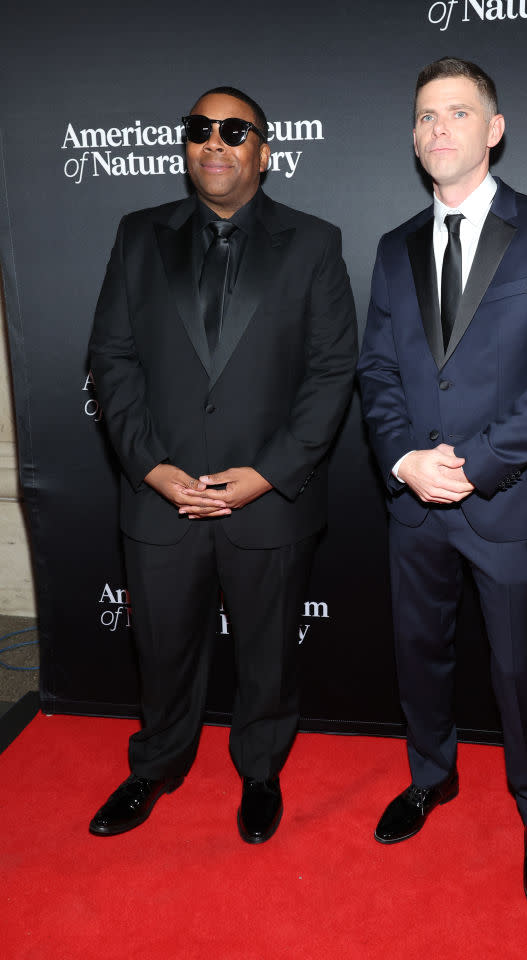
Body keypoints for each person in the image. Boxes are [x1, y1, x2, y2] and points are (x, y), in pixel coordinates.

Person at [357, 58, 527, 915]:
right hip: (412, 501)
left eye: (458, 113)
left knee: (515, 668)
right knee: (419, 655)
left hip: (506, 498)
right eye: (424, 115)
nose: (438, 129)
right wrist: (403, 462)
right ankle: (430, 777)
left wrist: (478, 464)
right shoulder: (391, 249)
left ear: (492, 129)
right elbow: (377, 374)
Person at [88, 85, 357, 843]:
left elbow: (332, 370)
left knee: (268, 655)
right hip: (160, 497)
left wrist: (267, 474)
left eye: (235, 130)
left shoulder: (313, 242)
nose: (215, 141)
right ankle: (155, 768)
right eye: (200, 128)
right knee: (162, 649)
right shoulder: (138, 235)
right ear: (186, 147)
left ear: (263, 154)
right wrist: (150, 467)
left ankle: (261, 772)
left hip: (268, 501)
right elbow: (111, 359)